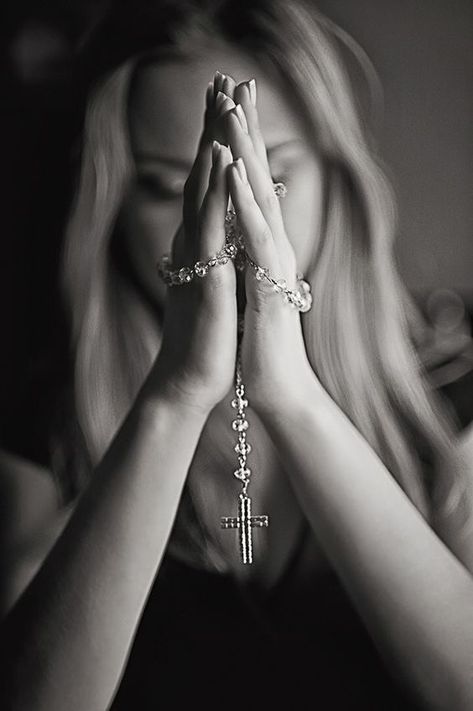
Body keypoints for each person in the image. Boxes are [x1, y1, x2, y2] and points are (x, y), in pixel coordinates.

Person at [1, 1, 473, 709]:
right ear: (114, 210)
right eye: (174, 187)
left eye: (270, 178)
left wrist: (292, 394)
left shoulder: (452, 377)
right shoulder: (44, 417)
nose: (229, 219)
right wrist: (176, 392)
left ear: (335, 177)